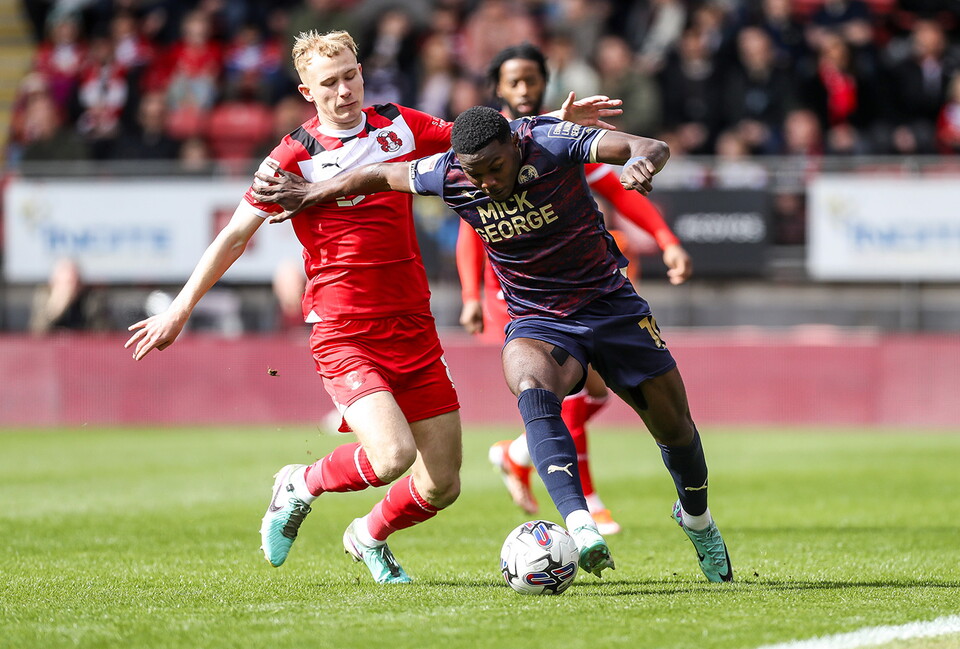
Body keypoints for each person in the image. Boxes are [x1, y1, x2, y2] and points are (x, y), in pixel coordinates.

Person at [125, 29, 621, 585]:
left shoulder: (401, 126)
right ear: (306, 90)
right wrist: (180, 309)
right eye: (329, 83)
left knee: (443, 485)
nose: (344, 92)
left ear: (362, 72)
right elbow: (235, 237)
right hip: (343, 329)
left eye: (350, 77)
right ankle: (300, 484)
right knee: (391, 457)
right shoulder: (292, 157)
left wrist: (556, 119)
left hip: (412, 325)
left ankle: (367, 536)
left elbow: (483, 140)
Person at [251, 106, 734, 583]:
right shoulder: (446, 173)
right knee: (531, 385)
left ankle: (696, 521)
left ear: (514, 145)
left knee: (676, 431)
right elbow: (376, 175)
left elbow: (648, 145)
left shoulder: (553, 142)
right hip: (538, 320)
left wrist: (641, 162)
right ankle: (580, 524)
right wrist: (313, 191)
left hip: (613, 309)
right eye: (474, 174)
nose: (486, 184)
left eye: (495, 169)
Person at [462, 43, 692, 536]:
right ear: (498, 89)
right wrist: (467, 296)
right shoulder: (479, 146)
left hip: (572, 287)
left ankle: (521, 454)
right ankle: (581, 497)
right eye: (513, 82)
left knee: (592, 391)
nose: (523, 89)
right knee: (575, 387)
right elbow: (467, 229)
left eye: (531, 80)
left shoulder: (552, 136)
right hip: (518, 293)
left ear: (545, 81)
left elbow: (610, 185)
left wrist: (666, 239)